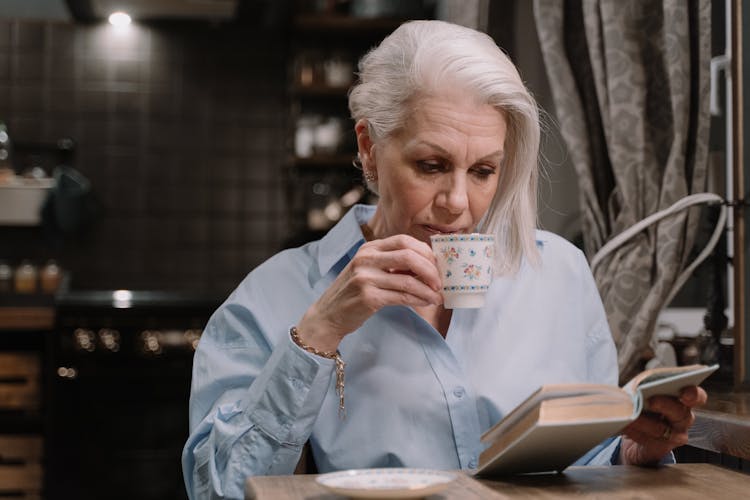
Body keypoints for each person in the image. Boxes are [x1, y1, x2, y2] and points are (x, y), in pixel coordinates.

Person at [182, 20, 707, 499]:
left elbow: (586, 463)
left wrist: (630, 453)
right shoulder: (272, 296)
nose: (458, 202)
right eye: (431, 165)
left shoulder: (560, 274)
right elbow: (217, 491)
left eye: (483, 171)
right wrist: (318, 335)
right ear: (368, 147)